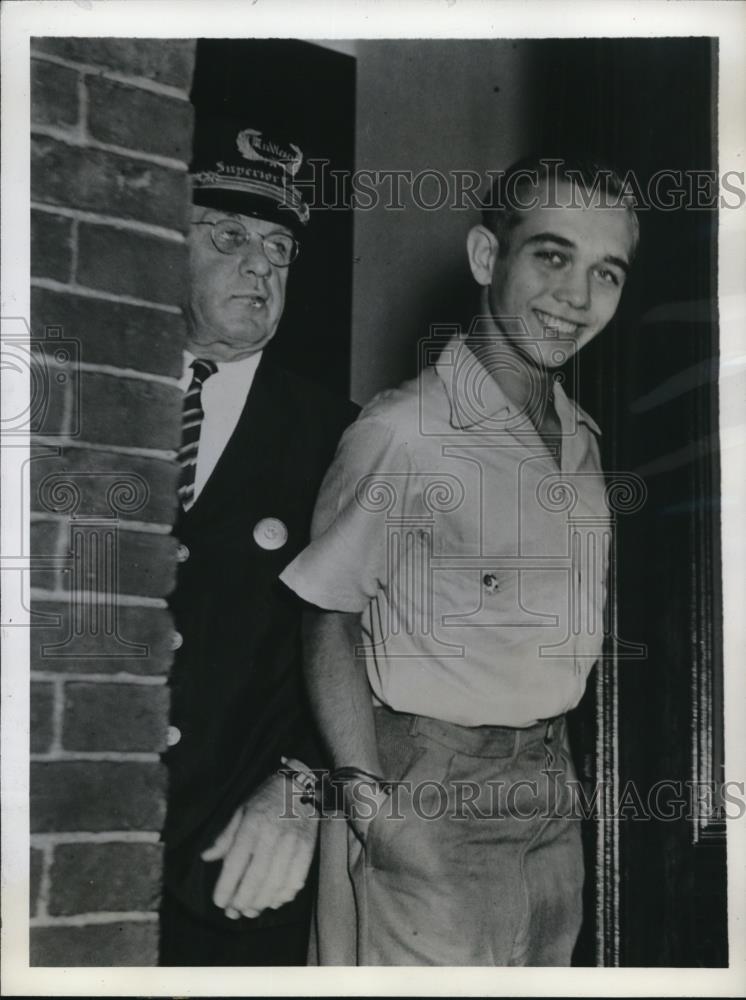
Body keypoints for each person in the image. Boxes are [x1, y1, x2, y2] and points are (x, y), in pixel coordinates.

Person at [280, 156, 639, 965]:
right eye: (552, 256)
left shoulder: (582, 444)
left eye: (606, 273)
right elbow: (327, 613)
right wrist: (370, 803)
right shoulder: (406, 430)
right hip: (428, 790)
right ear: (487, 258)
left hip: (551, 791)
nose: (577, 297)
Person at [159, 114, 358, 966]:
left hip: (235, 861)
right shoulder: (73, 399)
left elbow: (375, 642)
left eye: (279, 249)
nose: (261, 266)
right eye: (230, 236)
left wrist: (304, 785)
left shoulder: (337, 436)